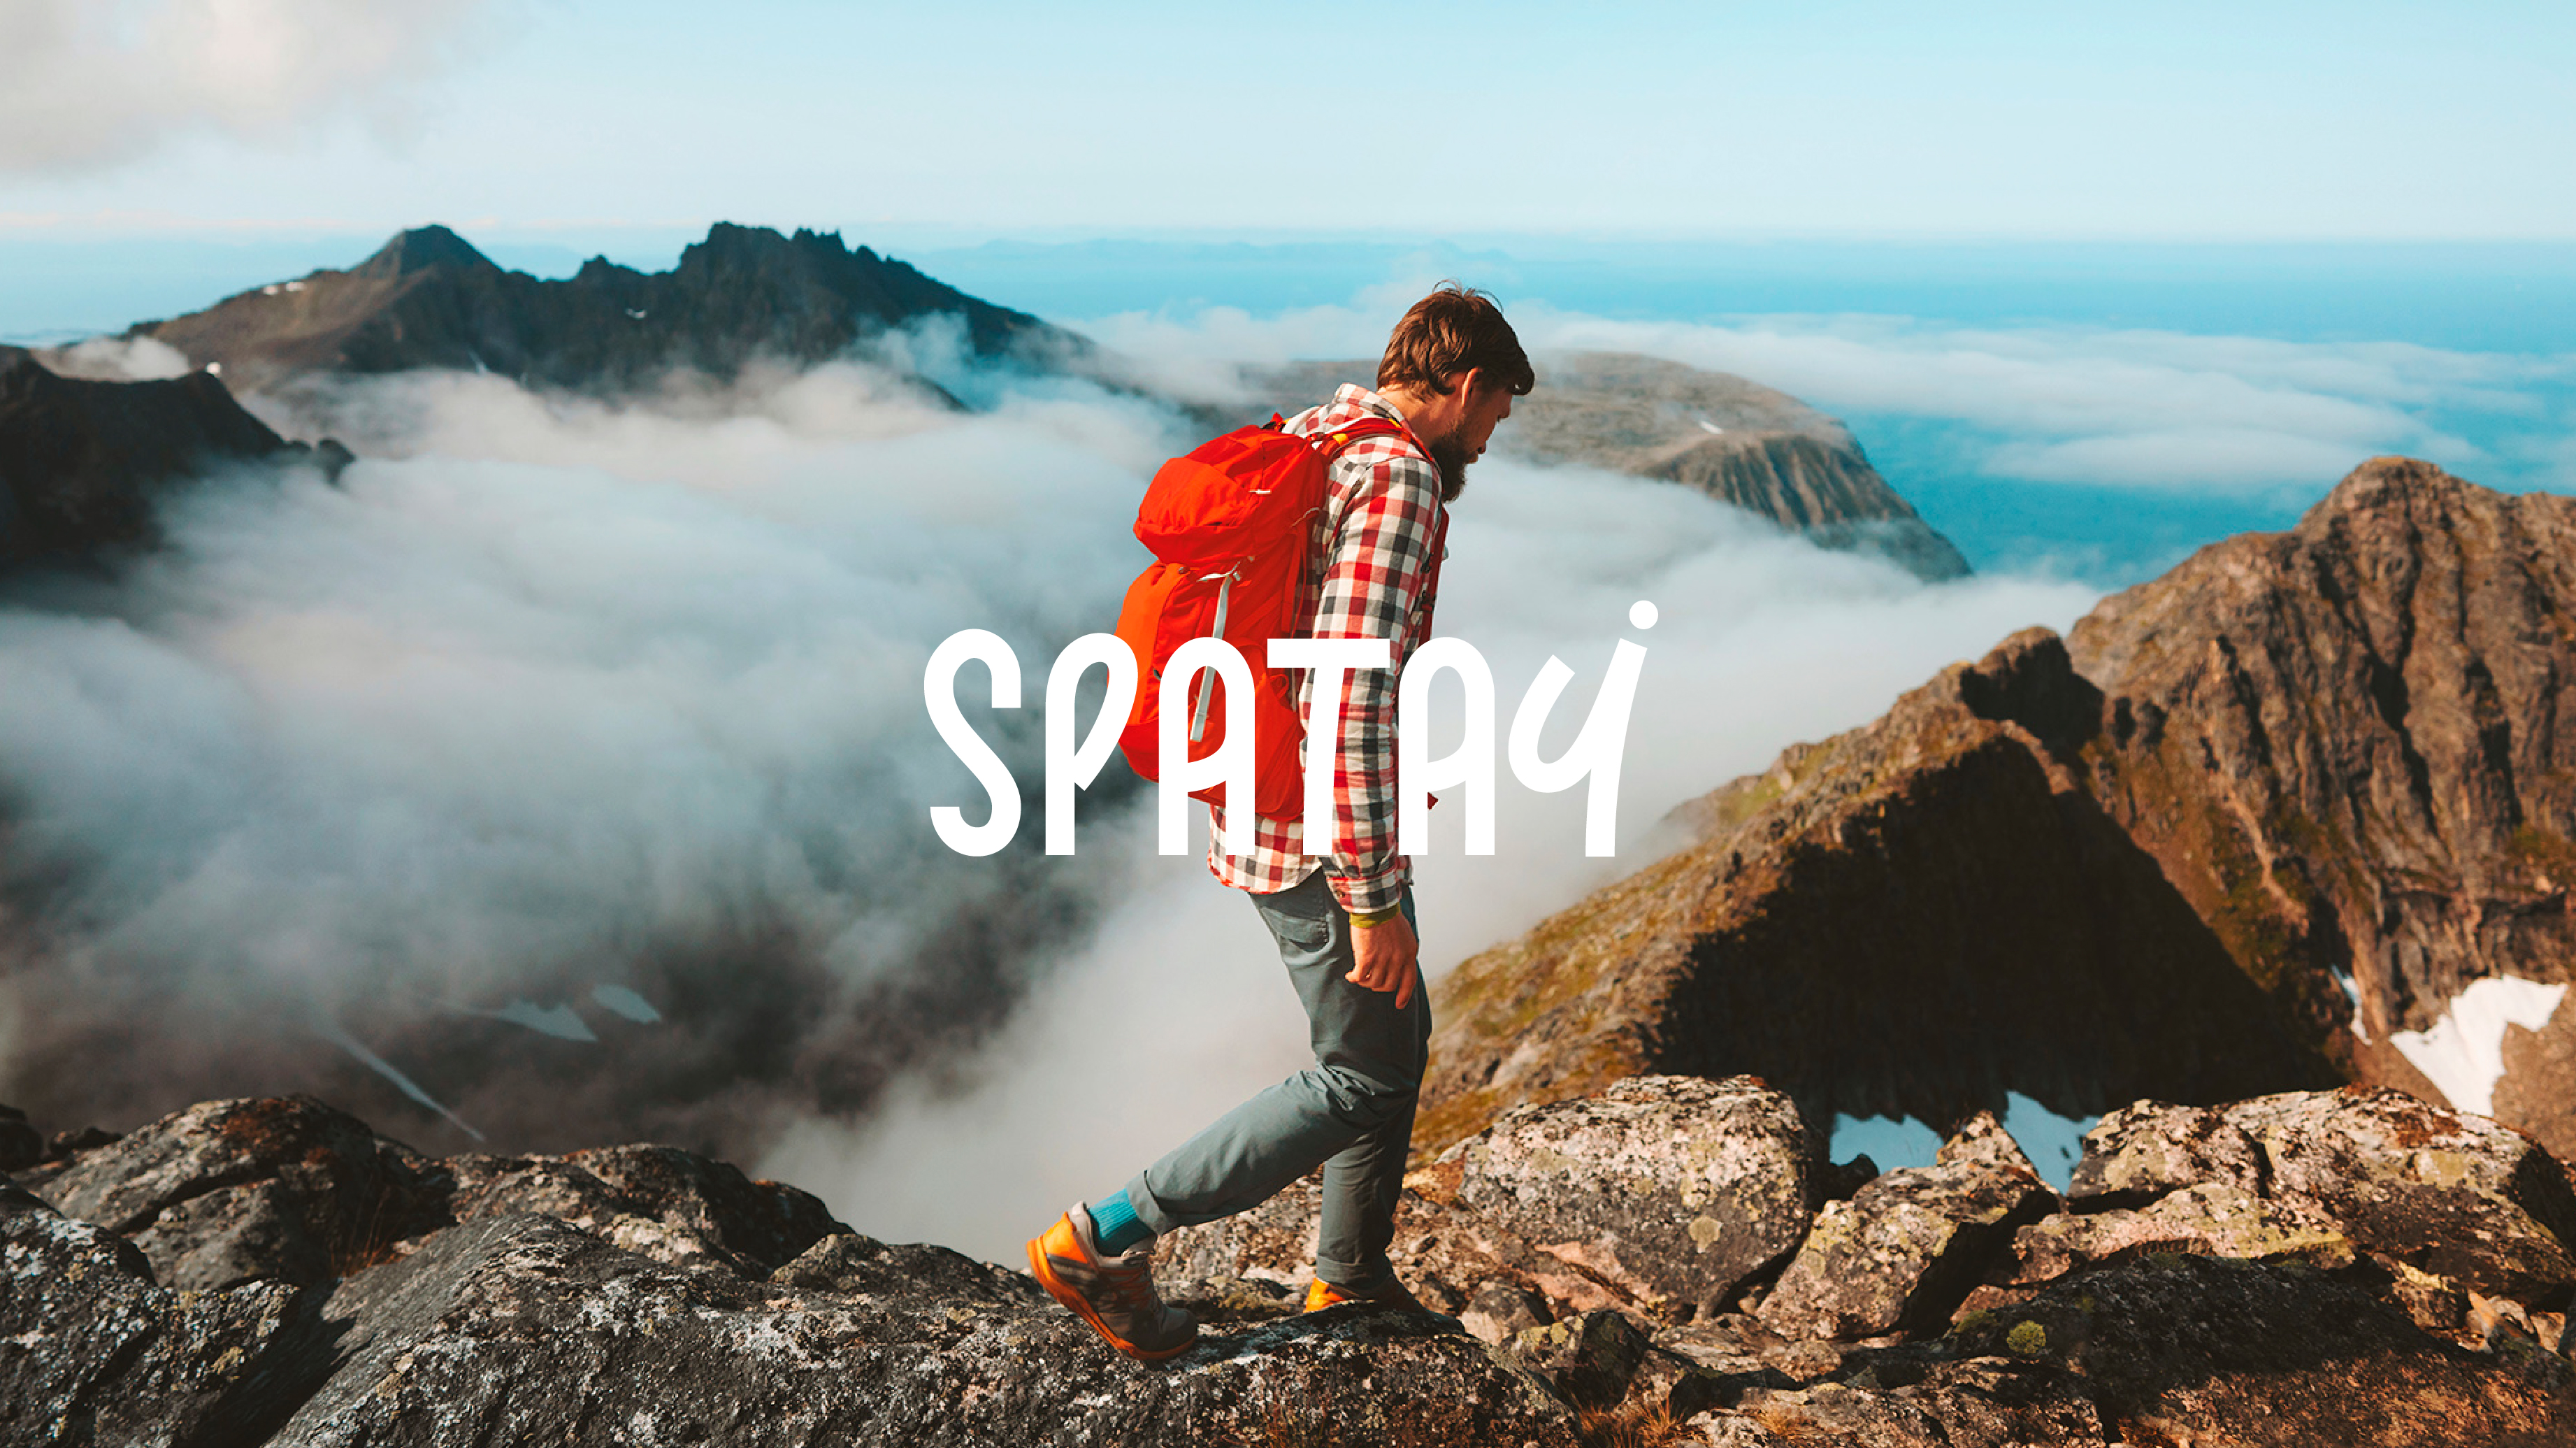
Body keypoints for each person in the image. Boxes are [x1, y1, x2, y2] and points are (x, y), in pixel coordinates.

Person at [1025, 284, 1534, 1360]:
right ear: (1464, 384)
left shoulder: (1317, 434)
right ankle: (1103, 1237)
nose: (1494, 433)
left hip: (1270, 801)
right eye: (1498, 407)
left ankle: (1349, 1279)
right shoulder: (1398, 476)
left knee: (1393, 1044)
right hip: (1316, 830)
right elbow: (1349, 689)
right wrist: (1372, 898)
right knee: (1361, 1073)